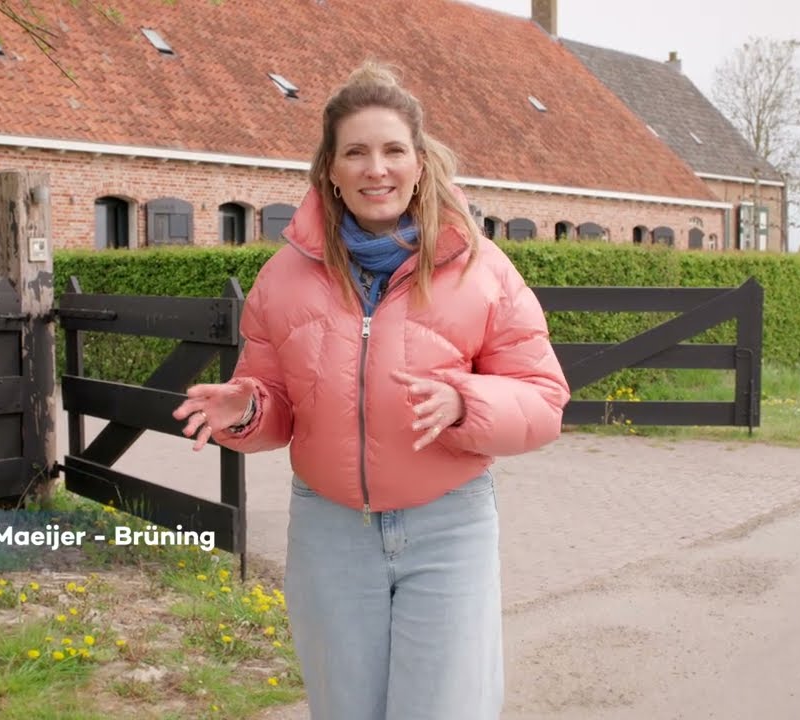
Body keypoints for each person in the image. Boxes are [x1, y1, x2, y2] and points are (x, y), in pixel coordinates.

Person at [173, 61, 570, 720]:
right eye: (355, 151)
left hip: (449, 526)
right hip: (330, 532)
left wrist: (468, 403)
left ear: (420, 162)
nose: (375, 168)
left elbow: (542, 398)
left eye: (392, 150)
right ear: (329, 168)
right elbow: (274, 402)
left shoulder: (482, 267)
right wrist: (247, 410)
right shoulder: (283, 278)